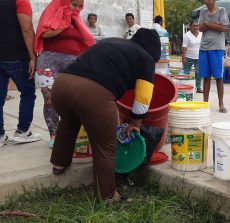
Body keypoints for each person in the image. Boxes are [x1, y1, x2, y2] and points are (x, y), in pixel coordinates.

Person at [49, 28, 161, 201]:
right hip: (92, 94)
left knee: (68, 123)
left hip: (61, 86)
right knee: (105, 146)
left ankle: (59, 163)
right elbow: (144, 97)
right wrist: (136, 123)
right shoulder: (146, 59)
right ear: (153, 51)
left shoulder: (112, 41)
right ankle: (108, 195)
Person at [34, 0, 95, 149]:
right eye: (74, 5)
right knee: (50, 99)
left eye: (79, 6)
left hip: (73, 63)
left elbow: (85, 41)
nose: (77, 9)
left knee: (75, 100)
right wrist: (64, 22)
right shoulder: (52, 13)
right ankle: (54, 135)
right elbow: (45, 33)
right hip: (49, 61)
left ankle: (72, 134)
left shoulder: (76, 19)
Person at [0, 0, 41, 147]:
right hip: (16, 55)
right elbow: (27, 28)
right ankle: (23, 131)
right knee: (28, 92)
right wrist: (33, 56)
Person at [198, 0, 229, 113]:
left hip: (217, 48)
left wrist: (208, 24)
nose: (206, 1)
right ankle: (205, 103)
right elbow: (200, 28)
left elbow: (224, 28)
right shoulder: (203, 11)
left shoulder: (222, 10)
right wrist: (215, 25)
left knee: (218, 77)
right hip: (204, 47)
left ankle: (221, 104)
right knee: (205, 77)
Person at [182, 21, 203, 93]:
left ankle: (198, 87)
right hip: (188, 57)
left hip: (199, 57)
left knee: (198, 73)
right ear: (190, 27)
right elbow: (184, 47)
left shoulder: (201, 34)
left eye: (197, 26)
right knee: (186, 72)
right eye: (193, 26)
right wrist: (183, 57)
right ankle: (183, 86)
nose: (195, 27)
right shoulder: (187, 35)